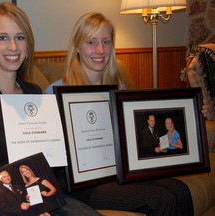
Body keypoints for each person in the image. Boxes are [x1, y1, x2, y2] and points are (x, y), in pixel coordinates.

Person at [0, 3, 101, 216]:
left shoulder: (35, 94)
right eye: (2, 38)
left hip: (43, 197)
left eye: (20, 37)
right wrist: (16, 197)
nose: (13, 47)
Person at [45, 12, 195, 216]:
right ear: (77, 47)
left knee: (180, 189)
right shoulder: (56, 92)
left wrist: (193, 116)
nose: (100, 50)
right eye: (91, 42)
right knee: (163, 198)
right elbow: (47, 154)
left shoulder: (119, 89)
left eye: (106, 42)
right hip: (82, 184)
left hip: (118, 173)